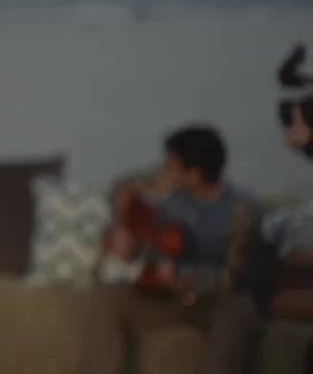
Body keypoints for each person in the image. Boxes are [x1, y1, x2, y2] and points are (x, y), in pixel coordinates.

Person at [81, 124, 260, 374]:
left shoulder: (242, 209)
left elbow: (237, 275)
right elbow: (120, 187)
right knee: (105, 296)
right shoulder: (171, 193)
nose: (164, 169)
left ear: (194, 174)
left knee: (241, 307)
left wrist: (187, 277)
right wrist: (123, 229)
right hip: (167, 297)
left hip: (214, 301)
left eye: (171, 165)